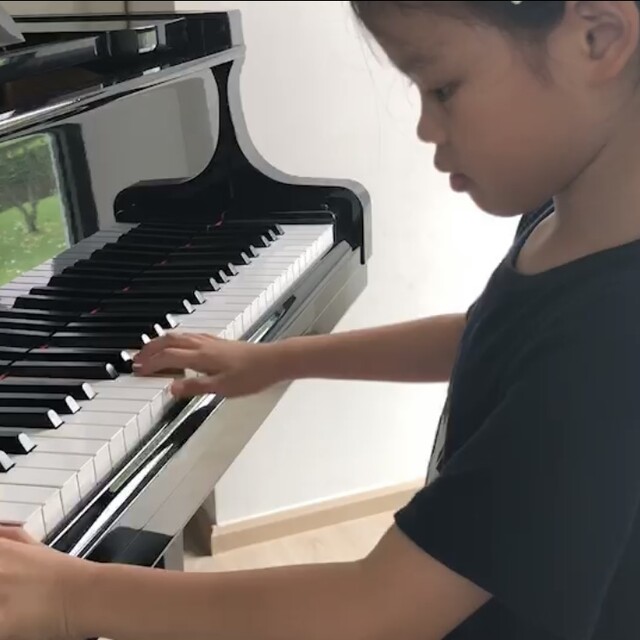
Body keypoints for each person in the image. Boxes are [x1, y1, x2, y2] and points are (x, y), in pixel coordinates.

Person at [2, 0, 640, 638]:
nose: (425, 127)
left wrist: (71, 594)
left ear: (597, 37)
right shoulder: (564, 224)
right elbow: (481, 337)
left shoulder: (612, 340)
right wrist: (275, 359)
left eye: (443, 87)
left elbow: (379, 607)